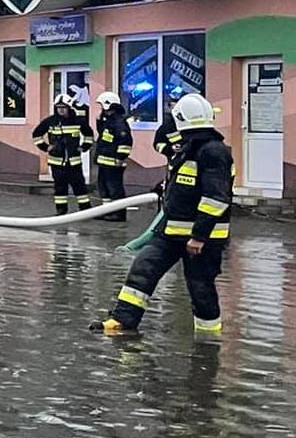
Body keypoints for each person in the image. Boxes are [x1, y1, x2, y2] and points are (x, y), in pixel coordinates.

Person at [92, 94, 233, 336]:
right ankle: (122, 320)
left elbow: (216, 198)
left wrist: (199, 236)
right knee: (143, 267)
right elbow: (186, 182)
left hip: (201, 240)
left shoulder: (213, 152)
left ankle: (209, 337)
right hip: (171, 232)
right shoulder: (190, 148)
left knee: (200, 288)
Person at [32, 93, 94, 216]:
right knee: (60, 188)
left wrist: (84, 147)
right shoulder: (50, 121)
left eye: (63, 107)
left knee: (80, 186)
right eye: (58, 107)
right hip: (57, 162)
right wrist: (45, 147)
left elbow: (89, 135)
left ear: (69, 107)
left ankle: (85, 209)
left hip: (74, 161)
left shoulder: (78, 121)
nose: (61, 109)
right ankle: (61, 210)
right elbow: (36, 135)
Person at [93, 91, 133, 223]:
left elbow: (125, 141)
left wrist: (120, 157)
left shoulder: (119, 122)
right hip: (105, 160)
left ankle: (119, 214)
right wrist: (99, 121)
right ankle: (107, 211)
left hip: (114, 162)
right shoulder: (109, 121)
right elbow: (103, 136)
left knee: (115, 189)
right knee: (104, 187)